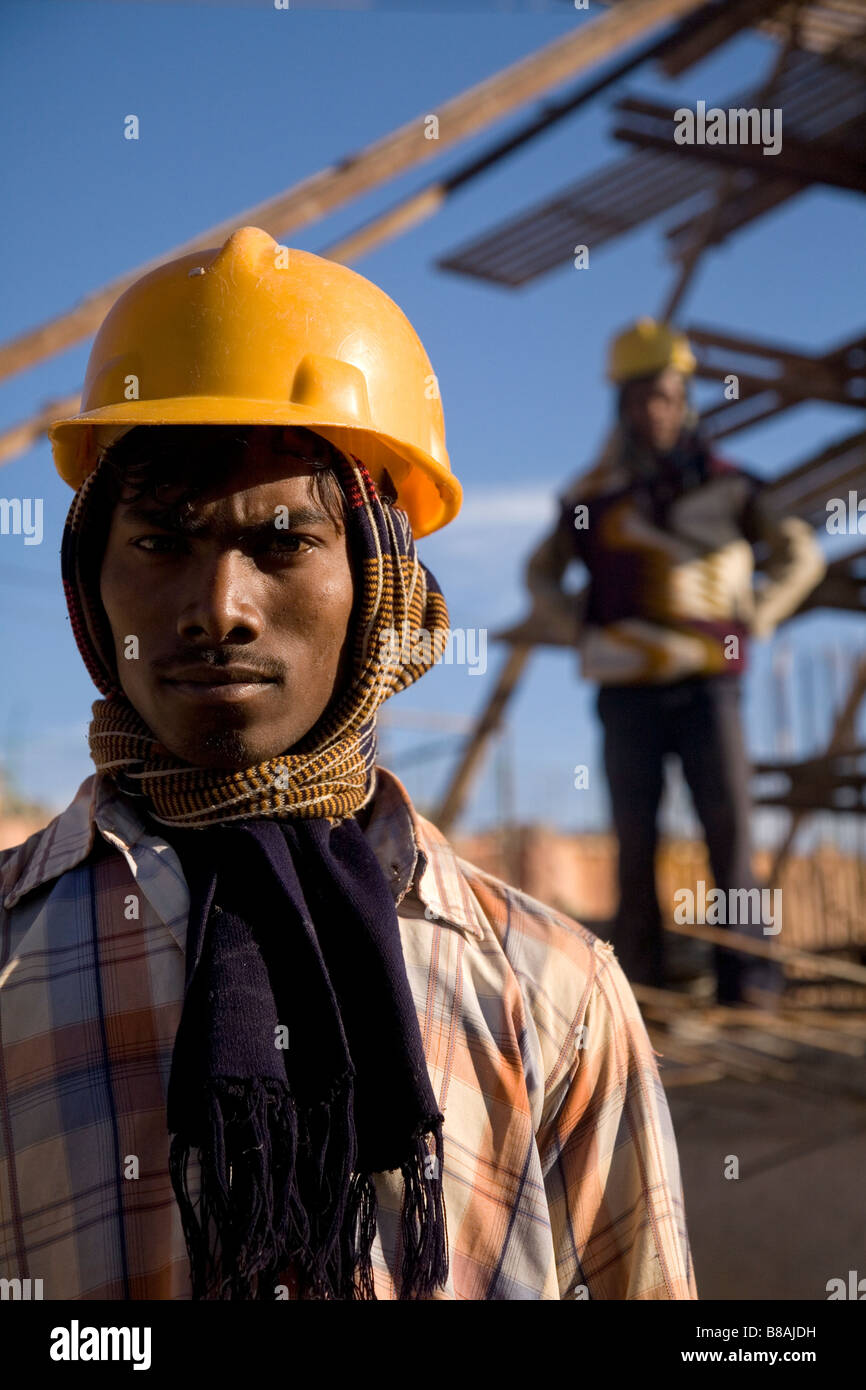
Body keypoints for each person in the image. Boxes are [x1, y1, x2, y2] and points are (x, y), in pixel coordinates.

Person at [0, 235, 695, 1301]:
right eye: (158, 542)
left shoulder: (551, 997)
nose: (219, 609)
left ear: (379, 585)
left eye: (282, 543)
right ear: (88, 582)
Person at [525, 318, 826, 1006]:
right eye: (637, 399)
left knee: (730, 827)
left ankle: (748, 986)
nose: (651, 410)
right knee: (634, 836)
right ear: (621, 406)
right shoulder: (591, 500)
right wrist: (573, 623)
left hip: (709, 684)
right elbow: (541, 572)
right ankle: (643, 991)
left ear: (683, 398)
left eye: (662, 395)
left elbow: (800, 552)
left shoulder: (731, 487)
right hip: (626, 690)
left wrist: (761, 610)